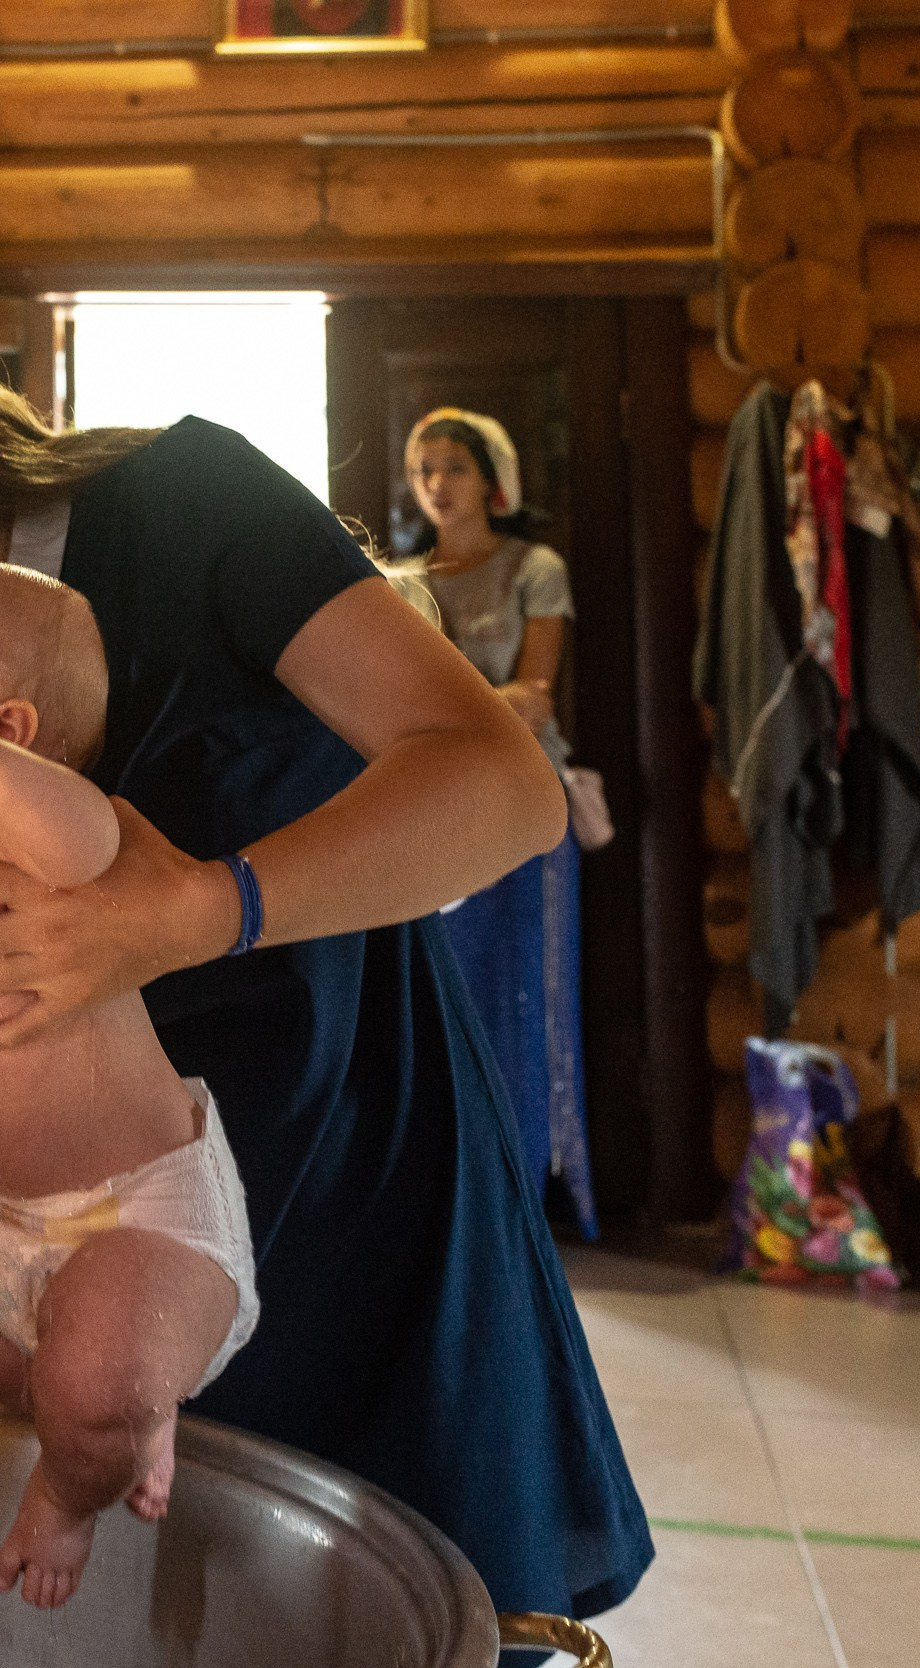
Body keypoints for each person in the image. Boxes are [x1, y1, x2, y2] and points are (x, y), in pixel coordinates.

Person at [0, 262, 651, 1632]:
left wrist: (196, 907)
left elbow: (499, 786)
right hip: (101, 1260)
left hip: (357, 1179)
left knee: (412, 1609)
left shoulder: (184, 510)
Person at [0, 561, 256, 1609]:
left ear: (5, 727)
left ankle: (73, 1491)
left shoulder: (12, 829)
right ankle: (113, 1417)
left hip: (144, 1216)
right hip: (14, 1211)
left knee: (90, 1382)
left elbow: (89, 841)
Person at [407, 409, 598, 1239]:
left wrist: (447, 712)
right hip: (432, 807)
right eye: (424, 469)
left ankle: (542, 1185)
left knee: (535, 990)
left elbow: (536, 696)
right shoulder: (403, 583)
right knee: (447, 994)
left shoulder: (535, 567)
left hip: (527, 800)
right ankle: (461, 1192)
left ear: (492, 480)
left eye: (452, 466)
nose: (437, 484)